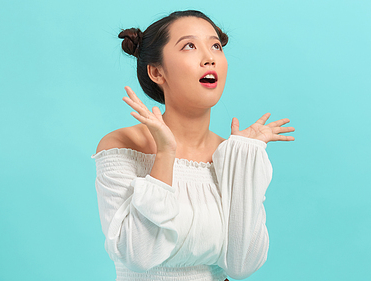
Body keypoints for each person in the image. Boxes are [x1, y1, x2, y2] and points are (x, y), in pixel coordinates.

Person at [92, 10, 295, 281]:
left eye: (216, 46)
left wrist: (243, 159)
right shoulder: (122, 146)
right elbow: (138, 255)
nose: (209, 57)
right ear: (156, 71)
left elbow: (242, 265)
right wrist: (165, 153)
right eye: (189, 46)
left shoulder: (228, 154)